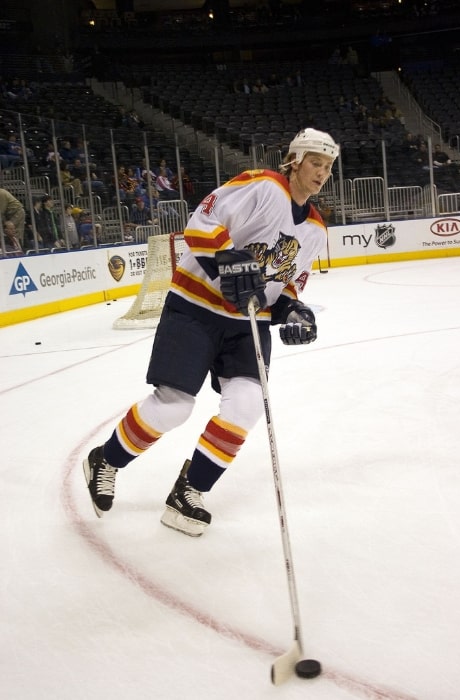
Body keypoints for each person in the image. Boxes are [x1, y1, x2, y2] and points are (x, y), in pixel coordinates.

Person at [83, 127, 339, 536]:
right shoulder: (262, 186)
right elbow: (202, 221)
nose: (321, 172)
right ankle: (106, 460)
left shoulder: (316, 229)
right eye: (315, 162)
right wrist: (228, 258)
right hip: (195, 309)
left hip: (246, 324)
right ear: (294, 161)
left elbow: (289, 282)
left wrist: (293, 310)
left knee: (248, 405)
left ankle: (189, 491)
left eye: (327, 166)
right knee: (174, 406)